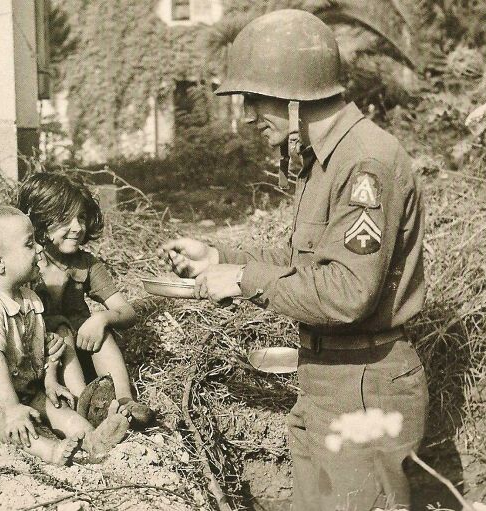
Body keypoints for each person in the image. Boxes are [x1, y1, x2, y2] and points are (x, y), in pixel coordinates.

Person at [159, 9, 429, 511]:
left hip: (363, 384)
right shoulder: (325, 159)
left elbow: (347, 293)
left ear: (292, 101)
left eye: (253, 100)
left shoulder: (363, 163)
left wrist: (243, 279)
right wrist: (220, 256)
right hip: (328, 379)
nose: (247, 117)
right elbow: (304, 258)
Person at [0, 206, 131, 464]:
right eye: (29, 244)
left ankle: (93, 439)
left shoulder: (29, 299)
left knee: (57, 408)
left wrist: (50, 380)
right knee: (2, 417)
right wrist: (11, 408)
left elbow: (40, 349)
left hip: (22, 390)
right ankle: (49, 450)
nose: (40, 251)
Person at [17, 172, 154, 428]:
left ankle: (125, 400)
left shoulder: (87, 264)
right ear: (39, 221)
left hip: (79, 352)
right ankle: (83, 404)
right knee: (62, 329)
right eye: (65, 219)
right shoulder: (27, 262)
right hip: (39, 354)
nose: (78, 227)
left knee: (101, 334)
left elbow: (126, 311)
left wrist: (102, 318)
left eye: (81, 217)